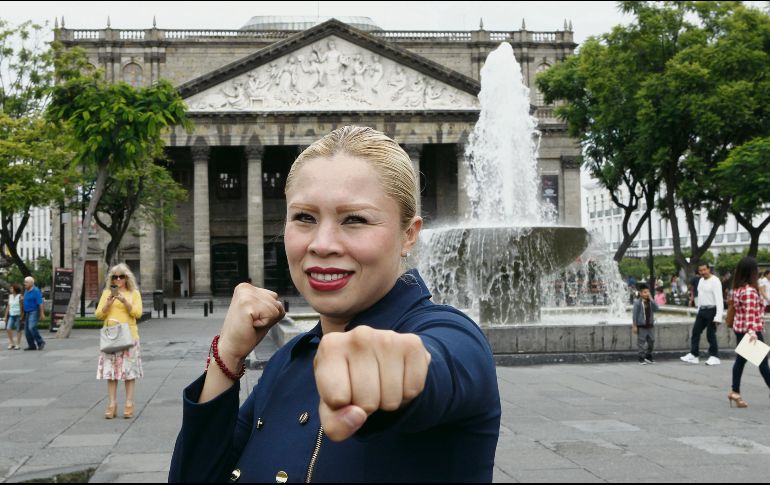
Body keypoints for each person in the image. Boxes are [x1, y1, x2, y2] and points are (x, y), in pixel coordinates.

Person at [169, 126, 501, 482]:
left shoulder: (453, 335)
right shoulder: (286, 360)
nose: (322, 244)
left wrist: (393, 368)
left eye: (354, 219)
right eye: (304, 217)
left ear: (409, 235)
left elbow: (440, 366)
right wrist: (228, 356)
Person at [94, 263, 144, 419]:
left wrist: (125, 302)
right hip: (111, 337)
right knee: (111, 372)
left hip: (129, 336)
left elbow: (138, 313)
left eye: (121, 276)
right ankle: (112, 404)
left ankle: (129, 403)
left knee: (129, 372)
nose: (118, 280)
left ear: (127, 278)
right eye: (115, 277)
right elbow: (98, 315)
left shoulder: (134, 293)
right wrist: (108, 303)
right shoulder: (107, 293)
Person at [726, 257, 770, 408]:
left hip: (740, 329)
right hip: (750, 331)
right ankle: (735, 391)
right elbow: (750, 314)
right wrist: (752, 333)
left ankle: (735, 392)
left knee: (741, 361)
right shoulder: (750, 291)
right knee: (763, 362)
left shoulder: (737, 290)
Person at [681, 263, 723, 366]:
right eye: (701, 270)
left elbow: (719, 299)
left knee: (710, 334)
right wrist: (698, 310)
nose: (703, 272)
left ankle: (715, 356)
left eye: (704, 270)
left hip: (712, 309)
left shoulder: (715, 281)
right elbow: (700, 296)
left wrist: (718, 317)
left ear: (709, 269)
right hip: (702, 310)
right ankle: (694, 355)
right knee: (695, 331)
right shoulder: (700, 281)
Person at [633, 283, 659, 365]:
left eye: (648, 292)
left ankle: (648, 356)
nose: (647, 293)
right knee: (641, 342)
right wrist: (635, 325)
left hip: (650, 325)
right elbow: (635, 315)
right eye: (645, 292)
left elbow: (657, 309)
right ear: (640, 293)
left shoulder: (650, 302)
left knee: (652, 341)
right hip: (642, 326)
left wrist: (651, 299)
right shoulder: (637, 303)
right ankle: (641, 358)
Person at [21, 276, 45, 351]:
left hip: (34, 311)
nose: (24, 283)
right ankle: (31, 345)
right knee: (27, 331)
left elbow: (40, 303)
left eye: (26, 282)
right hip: (27, 312)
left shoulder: (36, 291)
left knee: (31, 327)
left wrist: (42, 314)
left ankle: (40, 342)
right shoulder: (26, 290)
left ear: (31, 283)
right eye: (24, 282)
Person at [4, 284, 23, 350]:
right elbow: (8, 306)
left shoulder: (20, 296)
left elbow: (21, 307)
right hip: (11, 315)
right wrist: (5, 316)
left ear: (15, 289)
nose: (10, 289)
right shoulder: (10, 296)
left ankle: (18, 344)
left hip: (18, 315)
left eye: (12, 288)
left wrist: (21, 316)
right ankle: (11, 343)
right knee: (8, 328)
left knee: (18, 329)